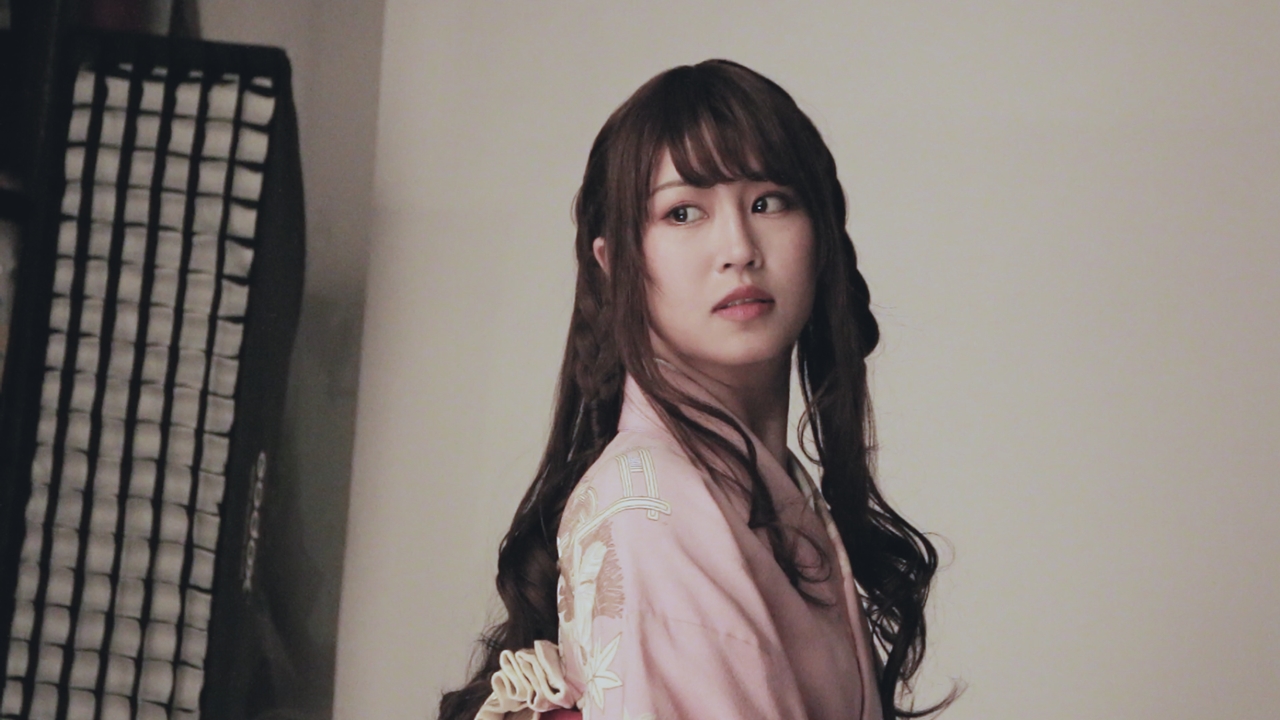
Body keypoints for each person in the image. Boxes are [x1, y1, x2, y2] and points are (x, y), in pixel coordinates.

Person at [438, 59, 951, 720]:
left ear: (822, 235)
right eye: (682, 213)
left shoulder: (765, 489)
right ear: (615, 263)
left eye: (768, 201)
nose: (738, 248)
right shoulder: (656, 510)